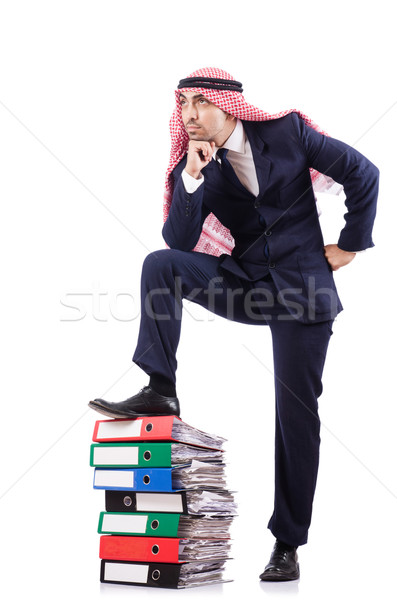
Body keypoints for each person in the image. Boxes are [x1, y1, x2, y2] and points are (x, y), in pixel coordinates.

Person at [89, 67, 379, 581]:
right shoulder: (195, 161)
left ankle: (287, 544)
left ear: (229, 105)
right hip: (243, 285)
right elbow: (179, 241)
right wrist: (193, 177)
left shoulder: (286, 132)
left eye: (200, 102)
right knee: (161, 264)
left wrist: (351, 245)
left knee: (295, 414)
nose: (190, 114)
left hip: (302, 293)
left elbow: (364, 173)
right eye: (183, 105)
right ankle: (160, 387)